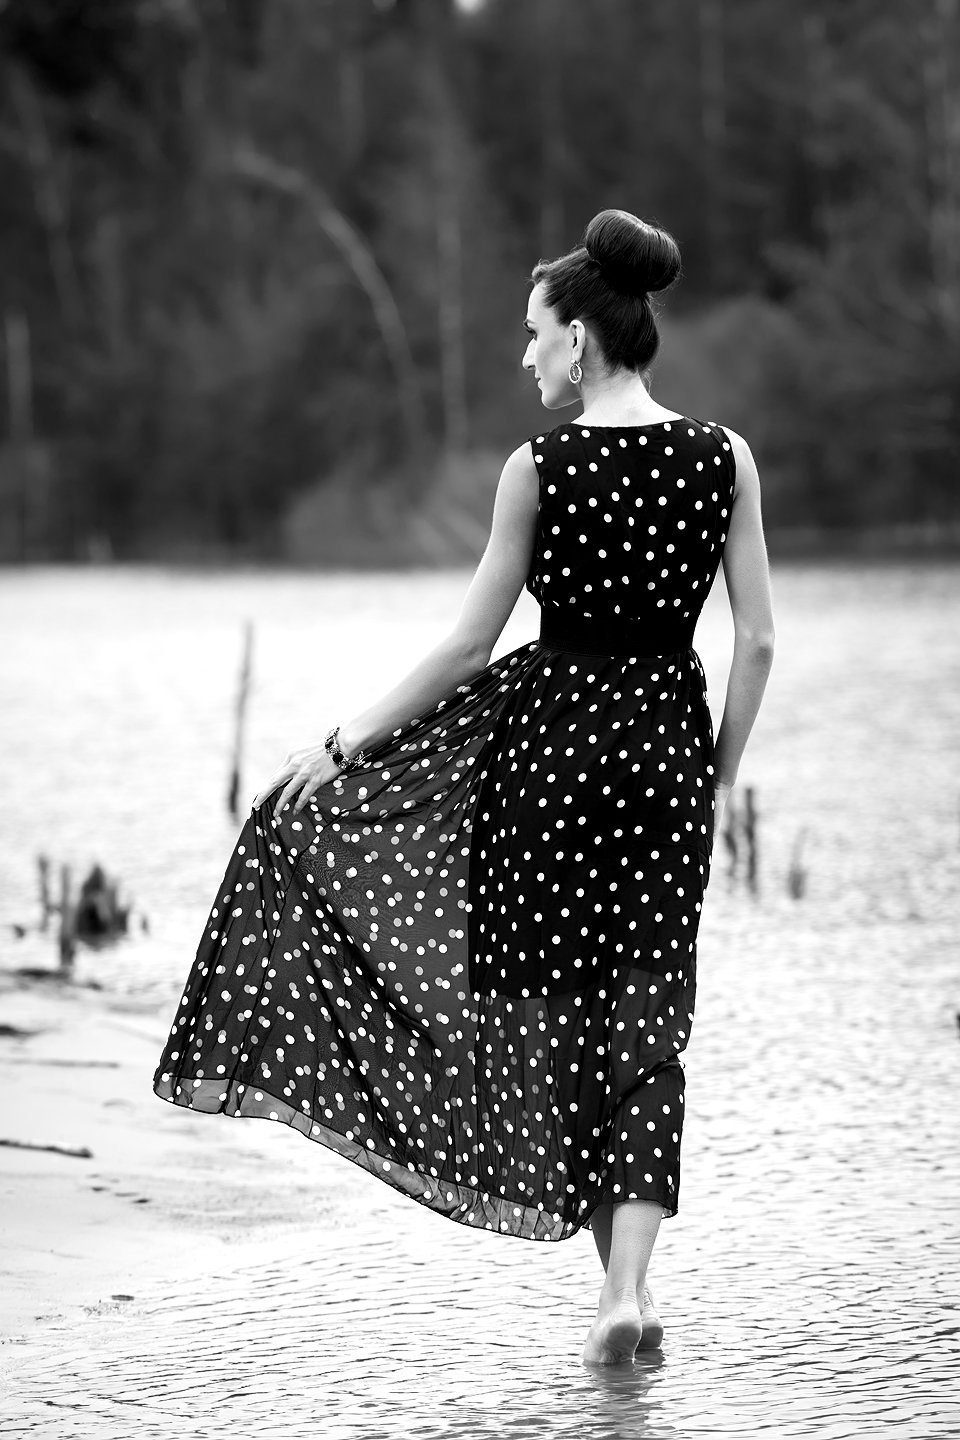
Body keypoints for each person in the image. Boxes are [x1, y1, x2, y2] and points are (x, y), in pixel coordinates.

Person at [153, 208, 775, 1366]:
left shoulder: (537, 469)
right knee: (645, 1028)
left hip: (546, 775)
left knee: (561, 1027)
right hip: (662, 772)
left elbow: (466, 647)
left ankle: (620, 1295)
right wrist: (717, 774)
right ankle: (627, 1290)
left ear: (580, 339)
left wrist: (342, 744)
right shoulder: (723, 457)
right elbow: (761, 642)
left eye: (533, 333)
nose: (524, 354)